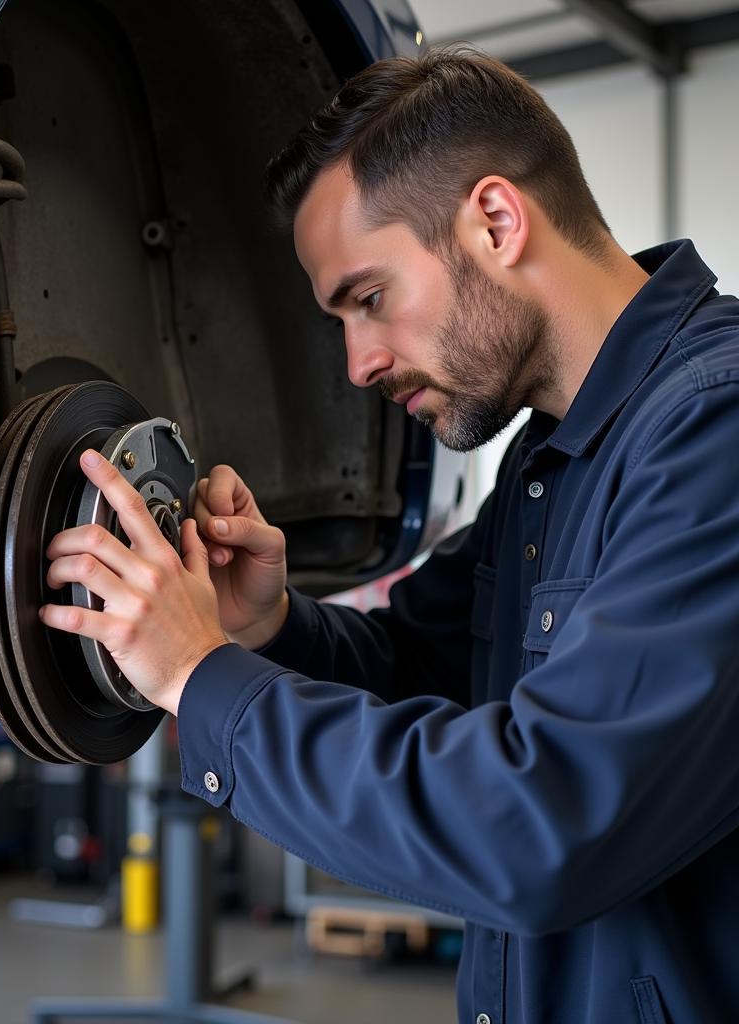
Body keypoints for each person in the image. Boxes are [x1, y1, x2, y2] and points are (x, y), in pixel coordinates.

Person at [39, 47, 739, 1024]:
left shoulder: (714, 432)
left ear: (495, 222)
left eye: (369, 299)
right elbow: (423, 660)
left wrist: (199, 678)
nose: (358, 363)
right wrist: (269, 625)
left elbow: (542, 825)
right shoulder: (556, 459)